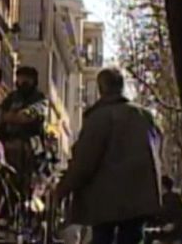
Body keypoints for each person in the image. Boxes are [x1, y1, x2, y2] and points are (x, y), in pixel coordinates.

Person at [54, 67, 163, 244]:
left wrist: (64, 188)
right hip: (138, 200)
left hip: (105, 202)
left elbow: (84, 162)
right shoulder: (145, 116)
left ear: (101, 88)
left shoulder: (99, 117)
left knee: (103, 238)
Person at [0, 65, 50, 196]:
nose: (22, 82)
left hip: (32, 141)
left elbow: (28, 116)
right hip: (8, 139)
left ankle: (30, 188)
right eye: (20, 78)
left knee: (27, 153)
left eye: (27, 79)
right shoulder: (11, 97)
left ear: (33, 81)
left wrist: (10, 117)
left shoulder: (40, 99)